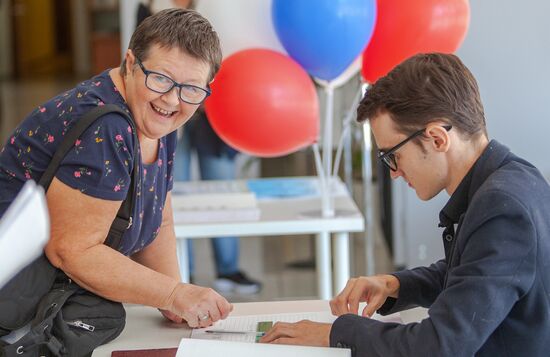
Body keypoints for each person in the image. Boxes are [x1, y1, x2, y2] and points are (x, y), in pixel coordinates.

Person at [260, 53, 550, 356]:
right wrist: (394, 285)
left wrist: (335, 332)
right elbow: (473, 275)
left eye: (392, 156)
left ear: (437, 139)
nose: (394, 173)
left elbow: (437, 345)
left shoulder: (502, 208)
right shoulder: (513, 178)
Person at [0, 8, 232, 329]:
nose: (173, 100)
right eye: (161, 78)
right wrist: (173, 293)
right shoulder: (107, 125)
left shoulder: (157, 118)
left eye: (191, 88)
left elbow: (157, 216)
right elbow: (73, 250)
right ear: (131, 63)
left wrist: (176, 301)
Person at [174, 109, 262, 295]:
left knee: (223, 194)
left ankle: (228, 271)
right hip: (171, 109)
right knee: (173, 195)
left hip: (215, 113)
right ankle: (182, 273)